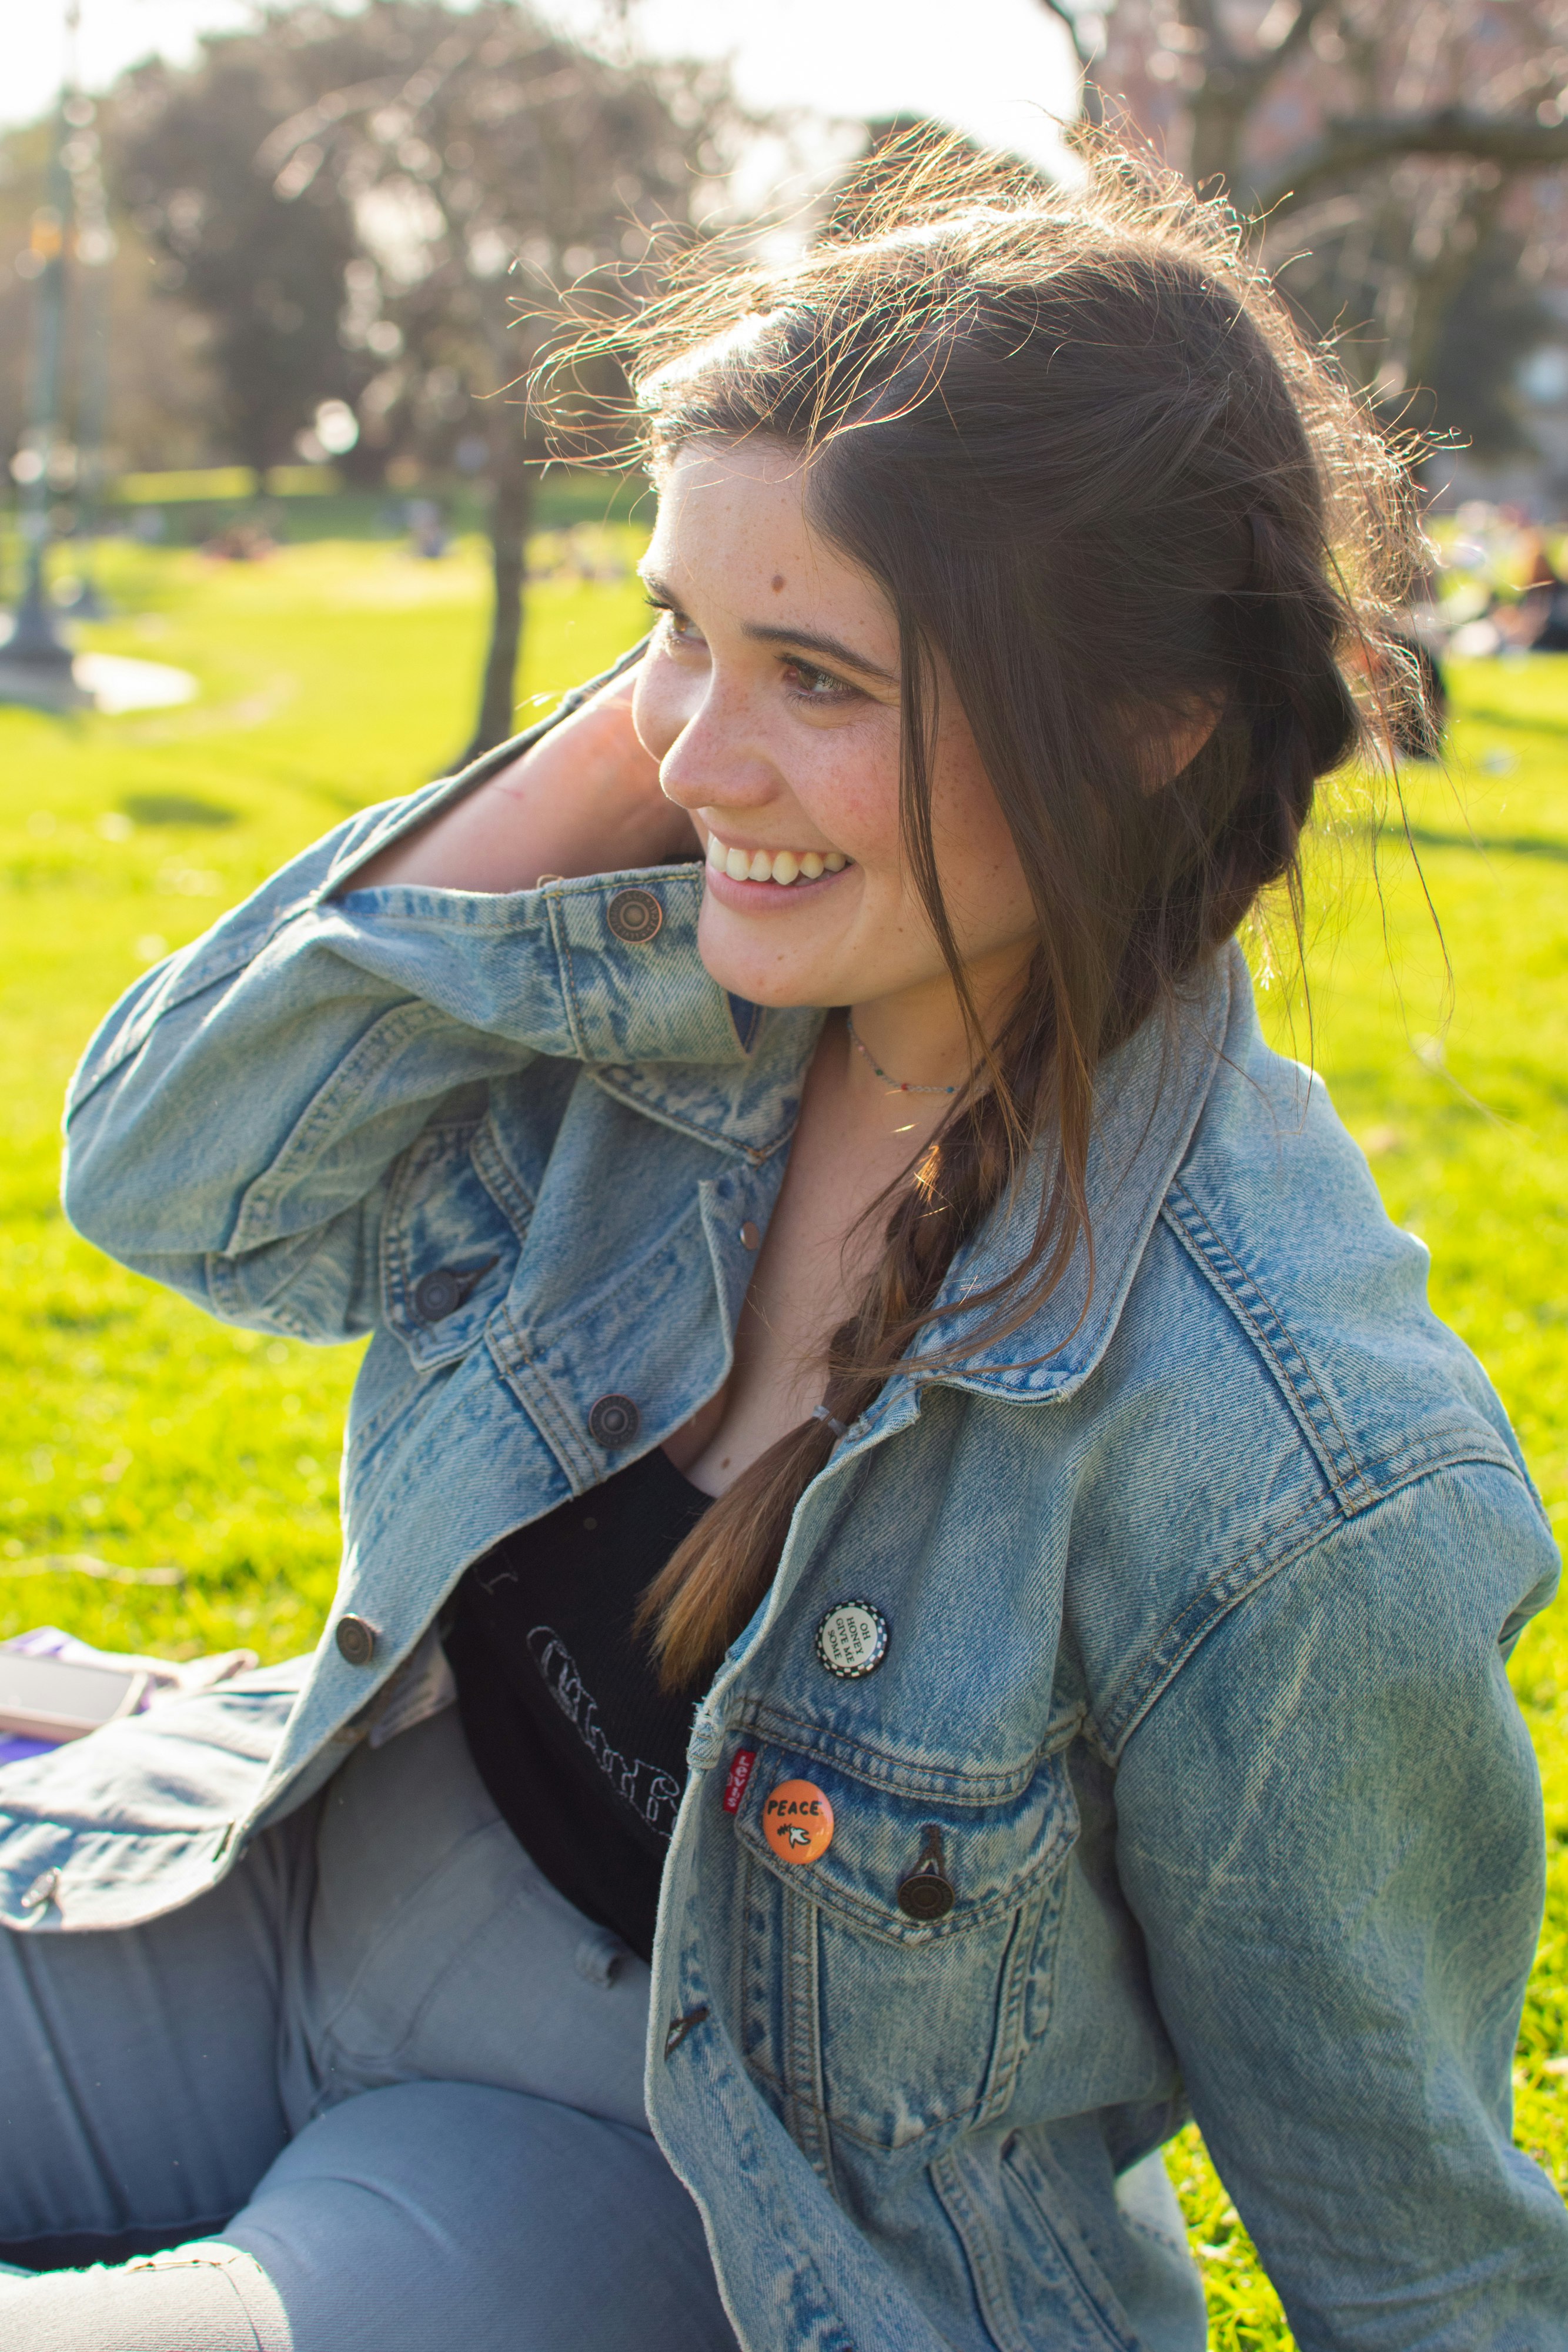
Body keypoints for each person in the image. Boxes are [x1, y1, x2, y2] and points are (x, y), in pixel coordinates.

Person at [2, 145, 1564, 2351]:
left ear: (1142, 731)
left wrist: (727, 710)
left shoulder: (1293, 1459)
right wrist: (689, 735)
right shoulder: (661, 1020)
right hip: (263, 1899)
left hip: (644, 2173)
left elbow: (1416, 2246)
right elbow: (172, 1179)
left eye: (820, 677)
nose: (698, 748)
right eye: (667, 626)